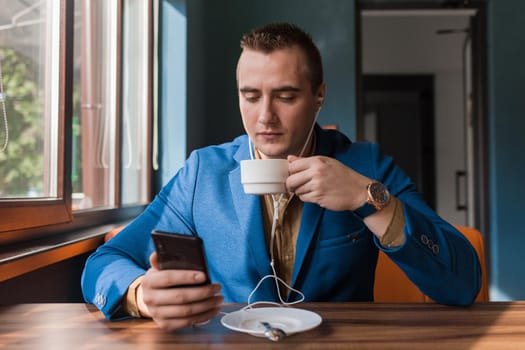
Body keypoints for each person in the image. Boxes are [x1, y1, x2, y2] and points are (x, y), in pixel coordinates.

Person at [81, 22, 481, 331]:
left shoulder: (366, 165)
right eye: (250, 96)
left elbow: (462, 283)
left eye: (286, 96)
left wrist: (367, 196)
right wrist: (140, 296)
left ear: (319, 95)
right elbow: (106, 261)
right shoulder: (203, 172)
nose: (264, 117)